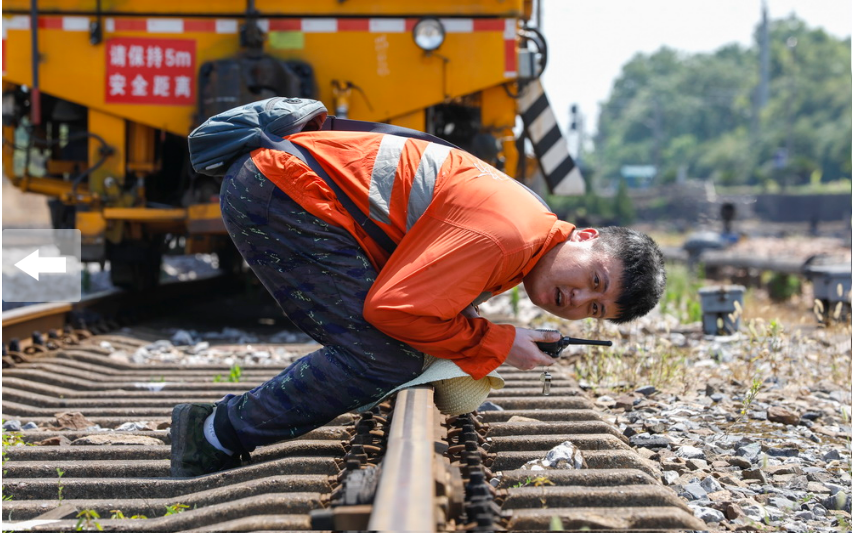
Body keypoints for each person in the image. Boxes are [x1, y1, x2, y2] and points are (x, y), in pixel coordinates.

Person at [170, 129, 666, 477]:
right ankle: (214, 434)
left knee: (396, 347)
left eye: (595, 308)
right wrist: (497, 342)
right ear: (585, 235)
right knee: (384, 353)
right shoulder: (508, 238)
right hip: (283, 189)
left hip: (284, 183)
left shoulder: (525, 234)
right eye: (595, 277)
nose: (579, 298)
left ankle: (220, 429)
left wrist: (486, 338)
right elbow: (393, 310)